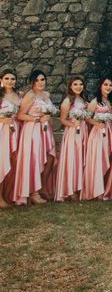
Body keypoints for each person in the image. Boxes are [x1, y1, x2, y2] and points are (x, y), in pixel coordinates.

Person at [14, 70, 57, 205]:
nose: (40, 83)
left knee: (50, 158)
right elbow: (20, 115)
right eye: (37, 80)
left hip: (46, 130)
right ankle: (34, 192)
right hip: (33, 130)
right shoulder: (30, 96)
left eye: (42, 79)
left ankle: (43, 187)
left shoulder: (46, 94)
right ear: (32, 82)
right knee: (35, 160)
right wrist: (38, 119)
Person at [55, 76, 90, 201]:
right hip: (73, 133)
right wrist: (73, 125)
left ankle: (79, 187)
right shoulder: (68, 101)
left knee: (81, 158)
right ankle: (70, 190)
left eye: (81, 84)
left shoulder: (83, 99)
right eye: (75, 84)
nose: (78, 87)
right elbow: (63, 119)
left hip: (84, 131)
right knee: (73, 159)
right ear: (70, 86)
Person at [83, 77, 112, 200]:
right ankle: (97, 191)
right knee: (99, 160)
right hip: (98, 133)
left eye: (110, 85)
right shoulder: (95, 102)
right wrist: (97, 123)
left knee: (108, 157)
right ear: (100, 86)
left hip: (110, 132)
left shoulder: (111, 101)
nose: (108, 87)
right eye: (106, 85)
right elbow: (87, 118)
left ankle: (105, 187)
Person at [0, 69, 21, 207]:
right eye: (7, 78)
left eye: (12, 79)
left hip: (16, 129)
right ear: (1, 80)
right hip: (2, 130)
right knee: (1, 162)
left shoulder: (19, 95)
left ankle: (8, 194)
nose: (10, 81)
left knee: (14, 161)